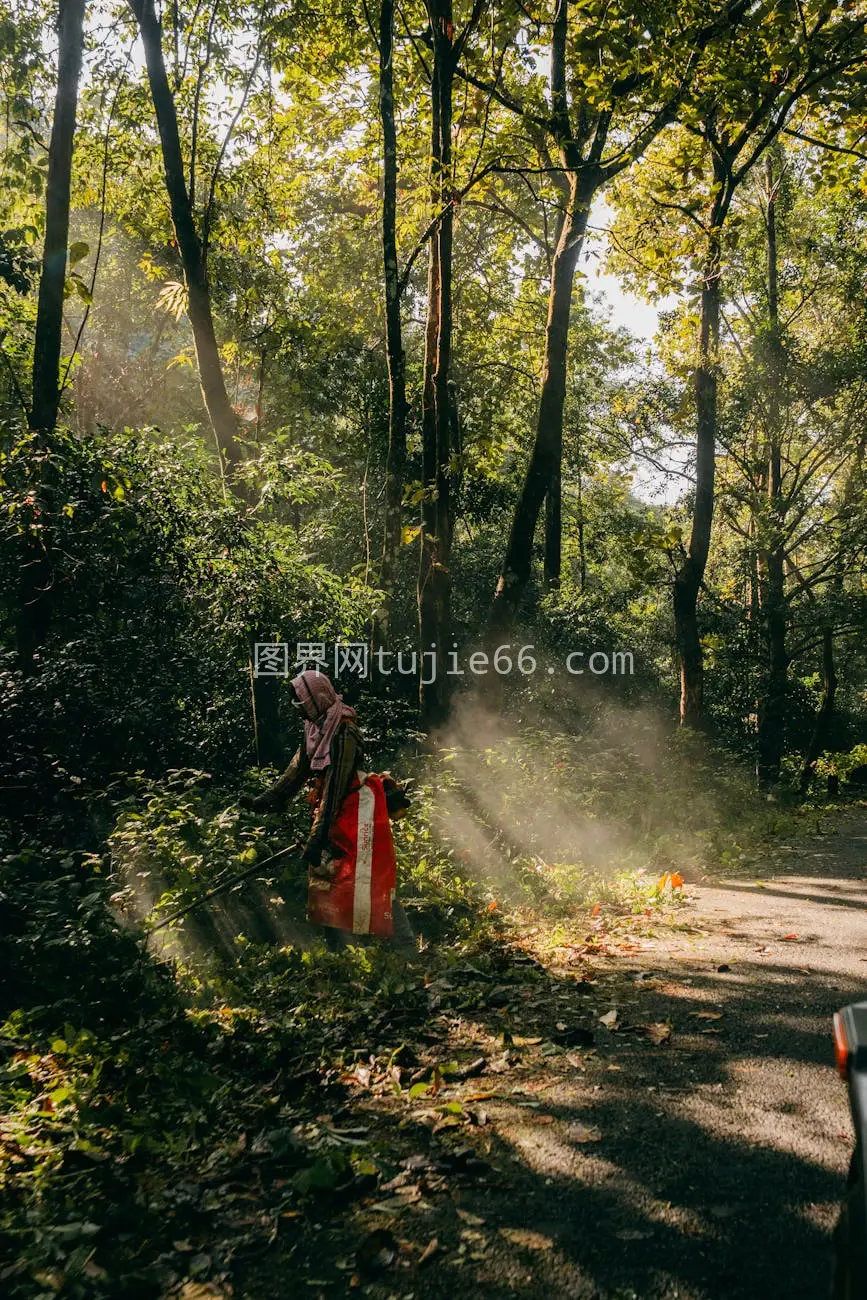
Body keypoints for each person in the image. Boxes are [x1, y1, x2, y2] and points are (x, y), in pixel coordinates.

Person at [241, 669, 415, 955]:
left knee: (369, 880)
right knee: (329, 881)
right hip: (334, 813)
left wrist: (316, 837)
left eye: (302, 700)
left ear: (316, 697)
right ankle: (341, 954)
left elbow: (336, 785)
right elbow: (297, 770)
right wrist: (266, 800)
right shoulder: (315, 727)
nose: (299, 708)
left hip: (358, 814)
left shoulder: (343, 729)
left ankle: (406, 949)